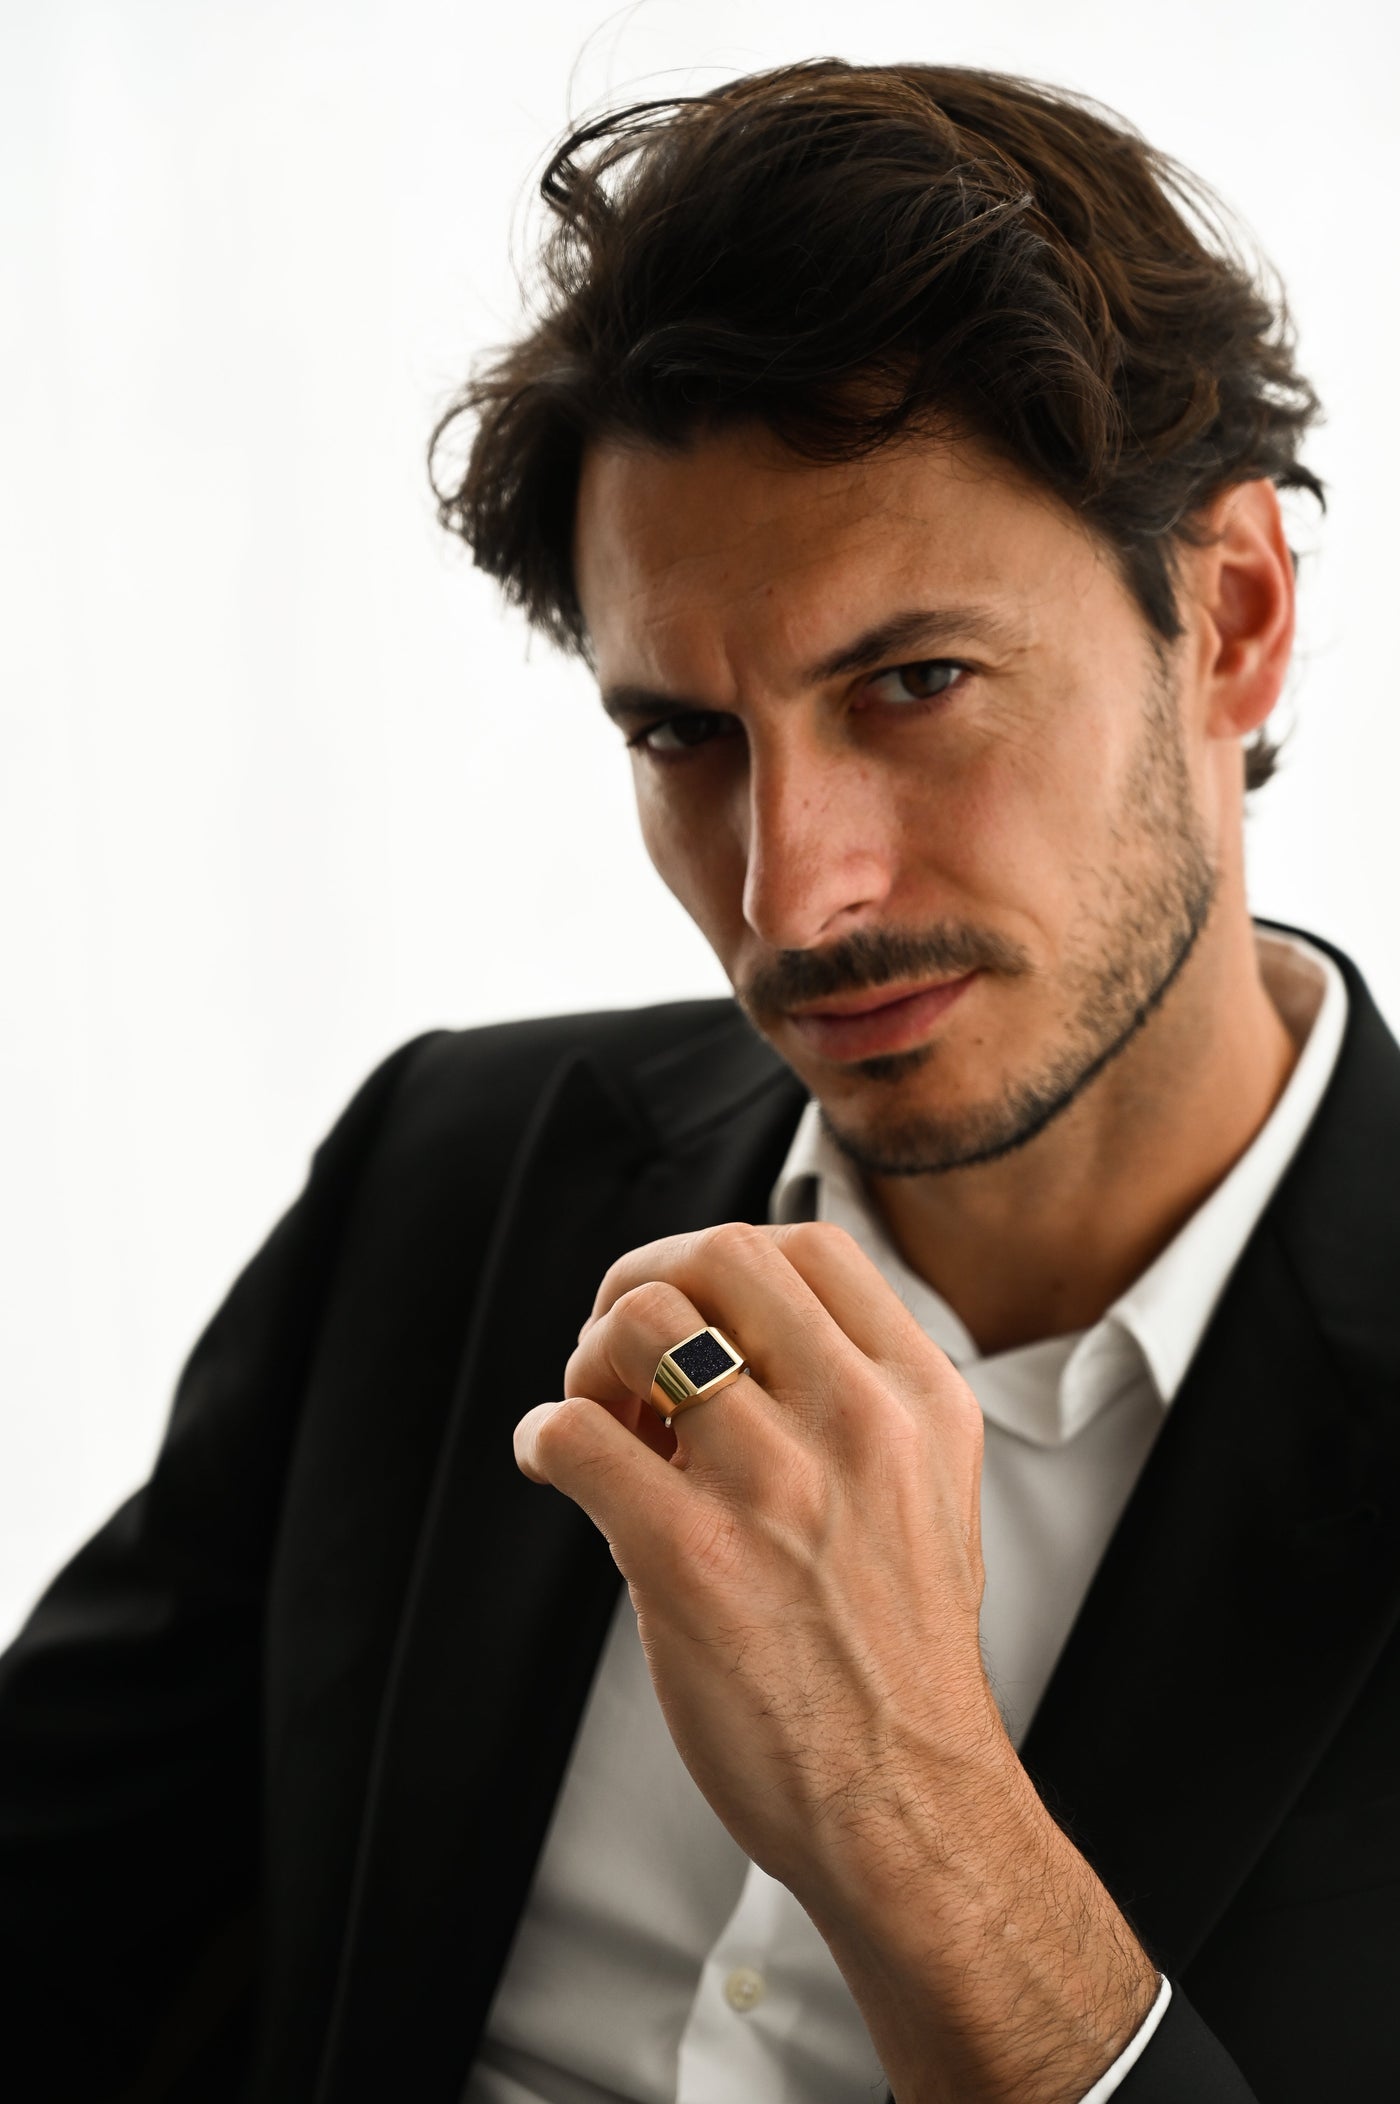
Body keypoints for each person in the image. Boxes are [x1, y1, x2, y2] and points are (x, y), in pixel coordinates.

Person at [0, 56, 1391, 2104]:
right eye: (681, 735)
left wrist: (912, 1809)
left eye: (911, 683)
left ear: (1235, 620)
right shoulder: (451, 1174)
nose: (792, 887)